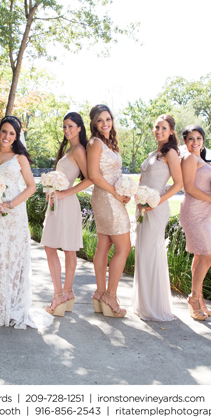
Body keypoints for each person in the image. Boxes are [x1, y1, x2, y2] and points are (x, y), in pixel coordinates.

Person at [0, 116, 45, 329]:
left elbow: (31, 187)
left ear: (16, 136)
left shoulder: (19, 158)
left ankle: (10, 307)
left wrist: (10, 204)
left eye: (12, 133)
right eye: (4, 131)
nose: (7, 136)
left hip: (14, 215)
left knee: (11, 257)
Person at [41, 112, 93, 316]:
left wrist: (64, 193)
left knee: (68, 249)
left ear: (80, 128)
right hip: (56, 203)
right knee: (50, 246)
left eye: (71, 126)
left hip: (67, 203)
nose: (67, 130)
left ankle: (63, 293)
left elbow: (89, 179)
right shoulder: (69, 149)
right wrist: (51, 191)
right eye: (64, 126)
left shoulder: (79, 150)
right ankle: (63, 293)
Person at [132, 115, 184, 321]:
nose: (159, 131)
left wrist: (156, 201)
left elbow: (179, 184)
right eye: (156, 127)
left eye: (163, 128)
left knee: (151, 252)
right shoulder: (153, 153)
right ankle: (143, 303)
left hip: (157, 207)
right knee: (142, 253)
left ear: (171, 131)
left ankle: (154, 306)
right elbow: (142, 180)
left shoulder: (171, 153)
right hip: (142, 207)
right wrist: (138, 199)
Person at [86, 104, 130, 317]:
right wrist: (116, 193)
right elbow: (94, 175)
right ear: (94, 123)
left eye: (108, 119)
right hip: (106, 196)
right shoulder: (95, 143)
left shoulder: (109, 142)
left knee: (104, 244)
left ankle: (100, 293)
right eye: (100, 120)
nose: (105, 123)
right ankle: (110, 296)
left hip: (112, 195)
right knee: (124, 247)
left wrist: (125, 191)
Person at [179, 124, 211, 320]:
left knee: (201, 256)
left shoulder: (203, 160)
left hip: (208, 212)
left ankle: (199, 298)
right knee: (208, 256)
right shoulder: (190, 158)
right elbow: (189, 187)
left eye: (198, 138)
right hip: (194, 211)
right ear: (185, 141)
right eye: (191, 138)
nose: (195, 142)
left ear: (203, 140)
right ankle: (194, 299)